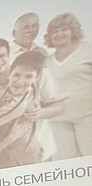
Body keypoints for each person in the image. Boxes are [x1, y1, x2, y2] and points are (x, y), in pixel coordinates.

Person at [44, 13, 92, 159]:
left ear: (73, 31)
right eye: (54, 31)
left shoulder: (88, 51)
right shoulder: (46, 62)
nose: (59, 34)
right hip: (58, 122)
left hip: (87, 116)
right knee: (65, 162)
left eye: (64, 29)